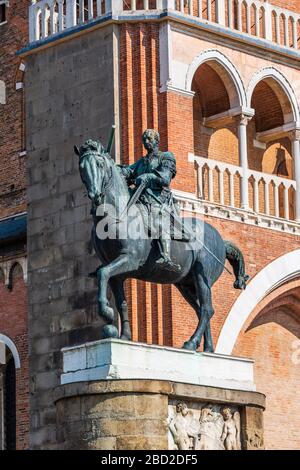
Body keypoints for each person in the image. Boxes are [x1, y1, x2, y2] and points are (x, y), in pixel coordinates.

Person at [119, 129, 182, 272]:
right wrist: (116, 170)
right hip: (142, 199)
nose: (147, 142)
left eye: (150, 139)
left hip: (160, 199)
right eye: (145, 140)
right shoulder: (142, 162)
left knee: (158, 219)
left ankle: (166, 256)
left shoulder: (166, 157)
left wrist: (149, 176)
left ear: (157, 141)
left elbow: (165, 178)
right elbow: (128, 172)